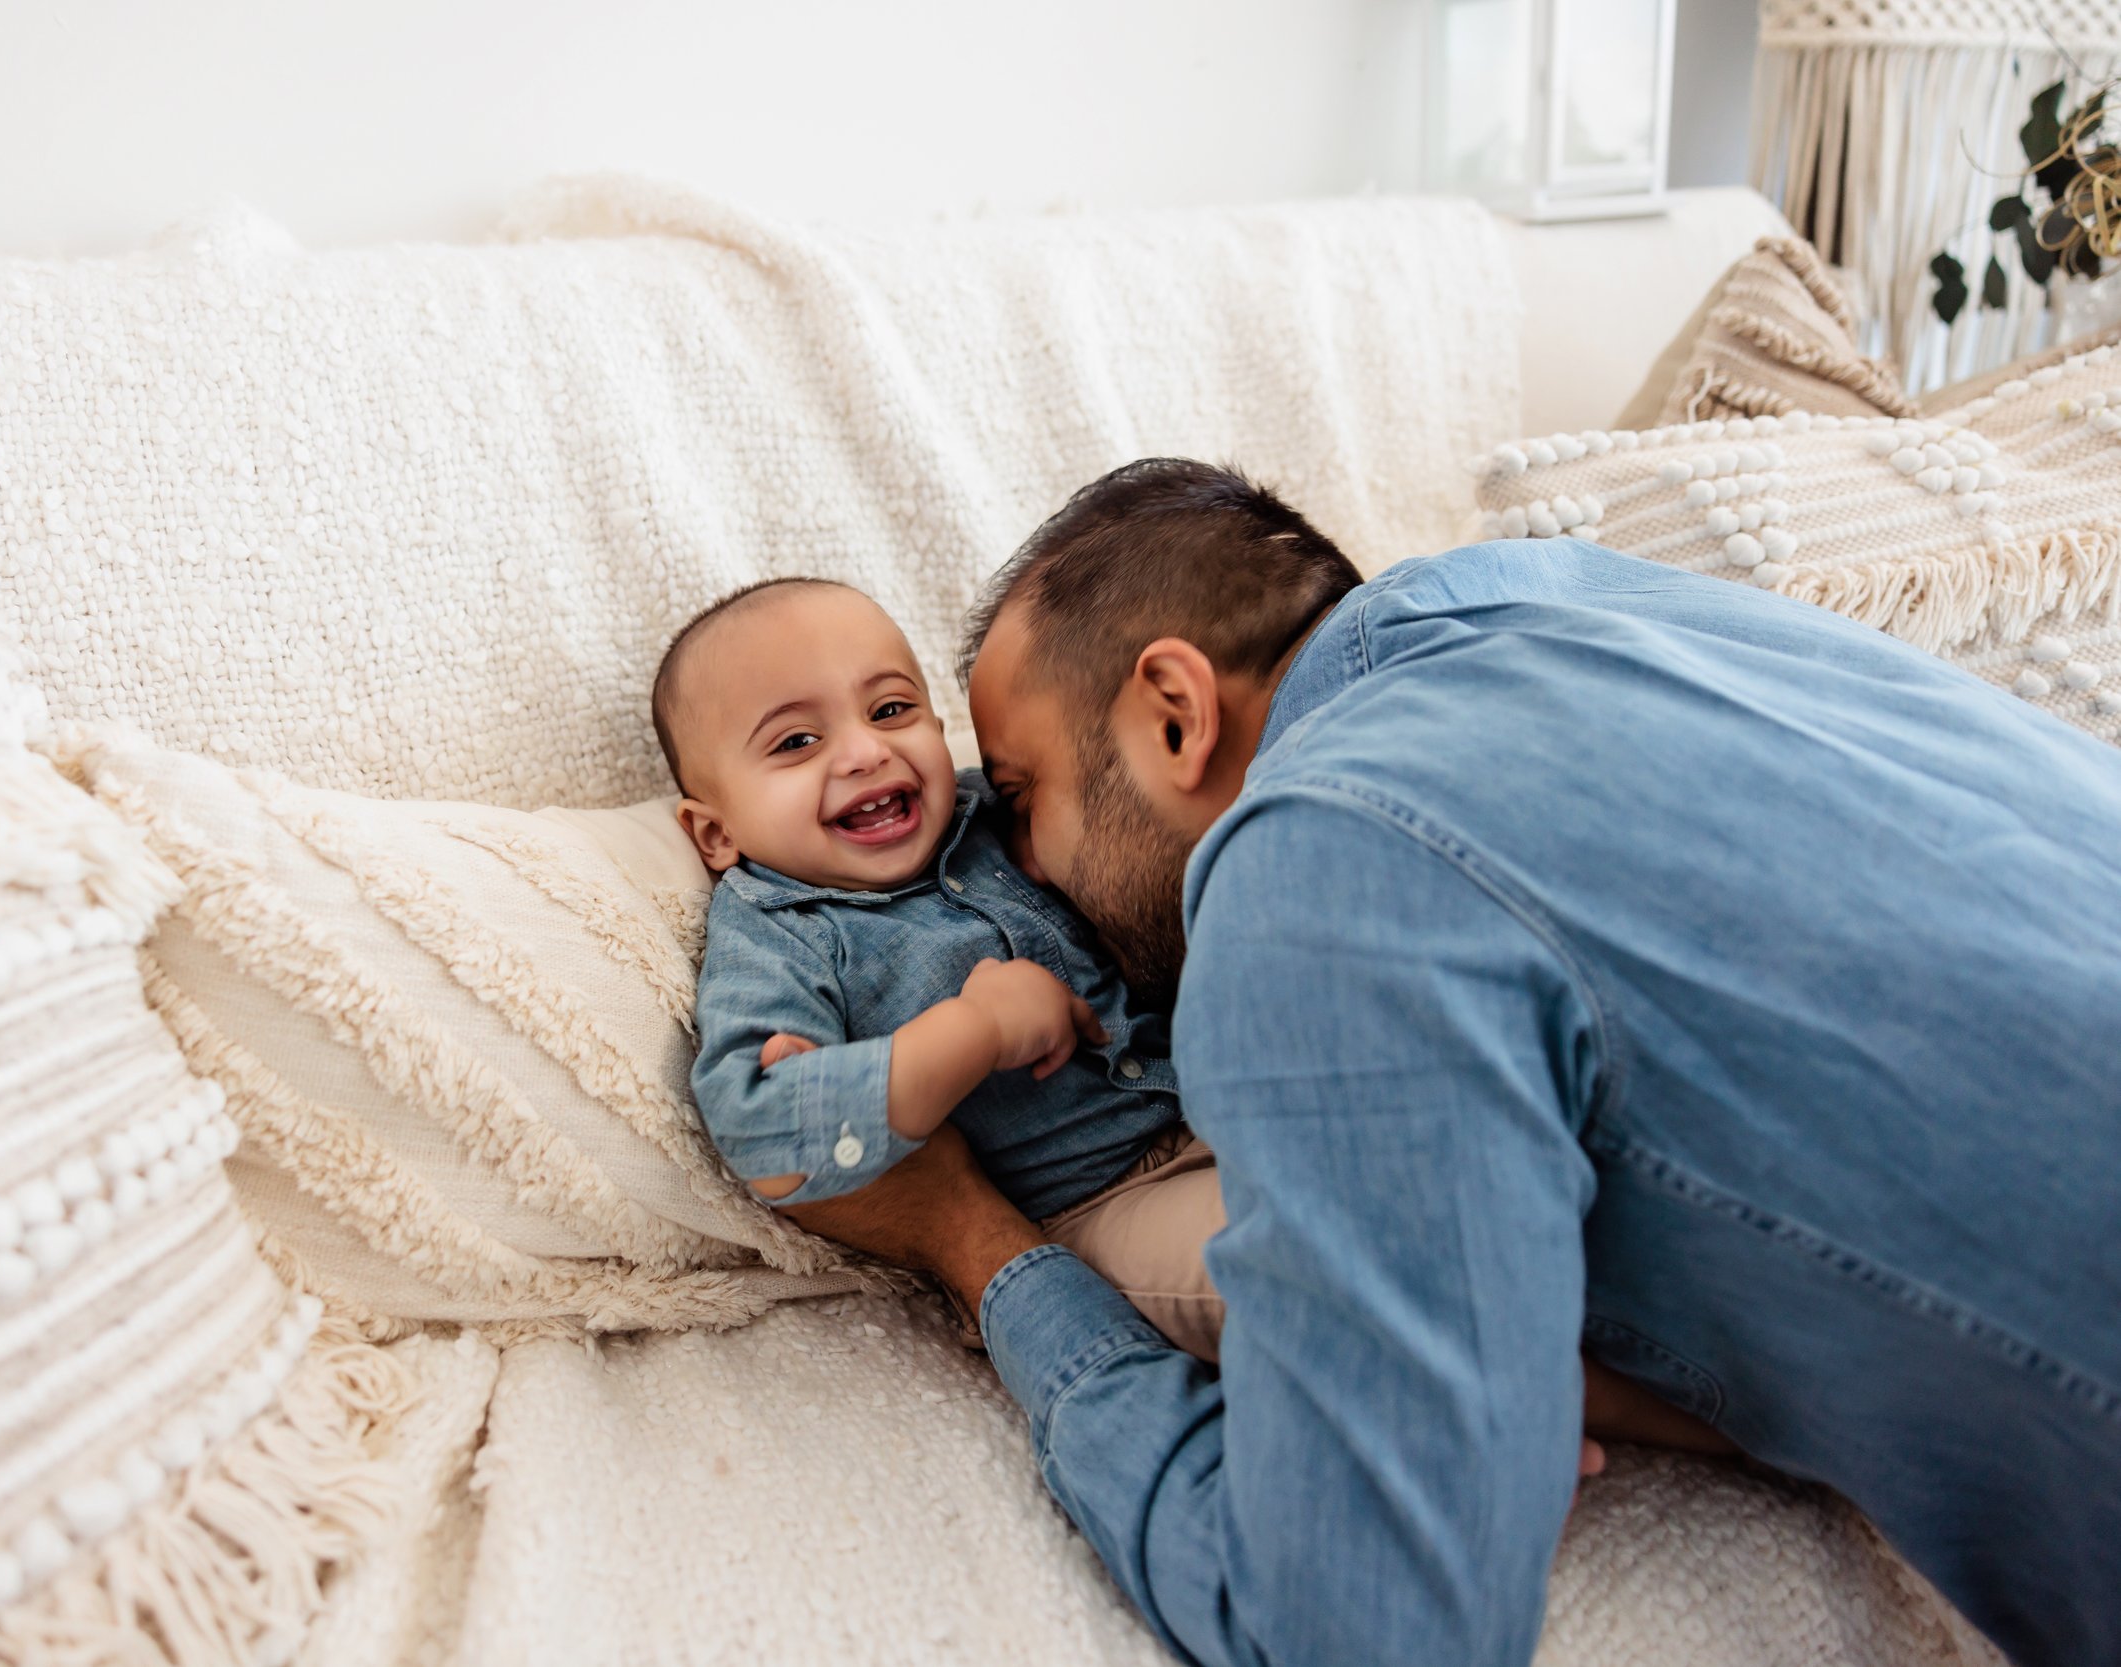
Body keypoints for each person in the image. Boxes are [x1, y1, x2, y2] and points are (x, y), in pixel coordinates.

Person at [776, 459, 2121, 1667]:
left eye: (1020, 798)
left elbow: (1359, 1623)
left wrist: (964, 1234)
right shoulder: (1595, 599)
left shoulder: (1320, 855)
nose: (1013, 868)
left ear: (1174, 713)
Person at [653, 576, 1222, 1359]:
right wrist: (973, 1030)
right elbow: (765, 1129)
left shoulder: (992, 808)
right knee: (1297, 1258)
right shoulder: (778, 932)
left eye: (891, 709)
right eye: (795, 742)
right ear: (715, 834)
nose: (864, 750)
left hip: (1224, 1098)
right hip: (1106, 1201)